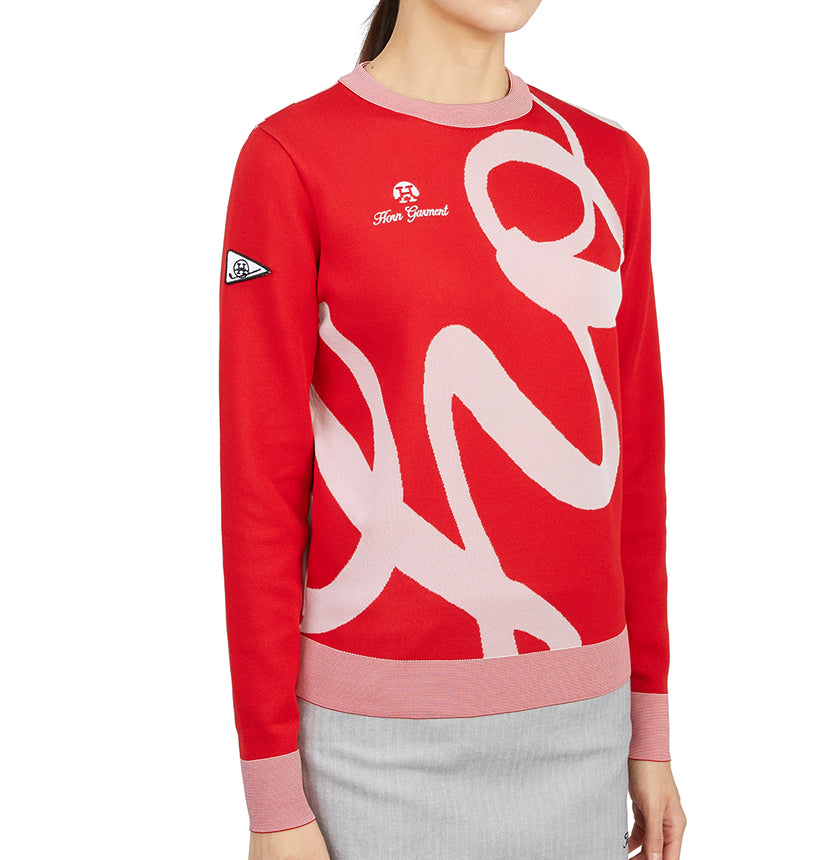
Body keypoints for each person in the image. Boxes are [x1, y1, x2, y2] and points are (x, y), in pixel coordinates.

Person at [218, 1, 687, 858]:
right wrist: (272, 796)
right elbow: (259, 489)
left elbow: (639, 463)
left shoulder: (606, 163)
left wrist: (649, 727)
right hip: (369, 753)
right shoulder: (292, 157)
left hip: (583, 733)